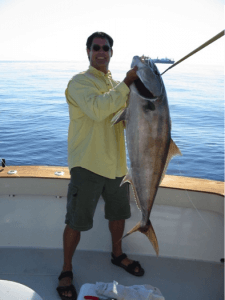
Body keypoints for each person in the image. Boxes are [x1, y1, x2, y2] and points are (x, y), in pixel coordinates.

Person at [56, 32, 144, 300]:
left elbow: (129, 119)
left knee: (118, 216)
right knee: (76, 221)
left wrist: (144, 93)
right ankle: (66, 269)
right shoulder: (79, 82)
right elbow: (97, 109)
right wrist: (128, 83)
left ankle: (117, 255)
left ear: (111, 52)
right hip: (87, 165)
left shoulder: (119, 85)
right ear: (88, 51)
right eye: (96, 47)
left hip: (117, 166)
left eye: (106, 48)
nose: (101, 51)